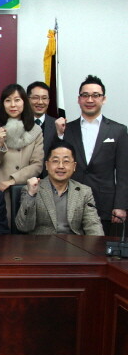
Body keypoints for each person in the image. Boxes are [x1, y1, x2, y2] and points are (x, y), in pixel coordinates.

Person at [55, 75, 128, 235]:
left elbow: (124, 173)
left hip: (105, 205)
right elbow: (56, 164)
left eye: (95, 95)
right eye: (85, 95)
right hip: (71, 202)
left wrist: (121, 205)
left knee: (102, 248)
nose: (90, 99)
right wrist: (59, 136)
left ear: (103, 99)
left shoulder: (118, 130)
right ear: (79, 99)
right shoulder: (67, 129)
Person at [0, 83, 44, 224]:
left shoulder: (35, 130)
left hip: (23, 189)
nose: (13, 105)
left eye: (17, 100)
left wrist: (13, 180)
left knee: (22, 229)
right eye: (8, 100)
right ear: (3, 104)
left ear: (24, 102)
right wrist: (0, 143)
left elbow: (37, 165)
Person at [15, 141, 103, 236]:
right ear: (47, 165)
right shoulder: (31, 189)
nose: (61, 166)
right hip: (42, 243)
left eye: (66, 161)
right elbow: (23, 227)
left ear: (74, 166)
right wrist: (31, 195)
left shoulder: (84, 192)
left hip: (74, 243)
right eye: (55, 161)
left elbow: (93, 225)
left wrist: (98, 244)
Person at [27, 81, 57, 175]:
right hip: (23, 179)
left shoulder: (57, 125)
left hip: (49, 179)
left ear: (49, 101)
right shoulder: (18, 124)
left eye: (44, 98)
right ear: (27, 100)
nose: (40, 102)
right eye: (36, 98)